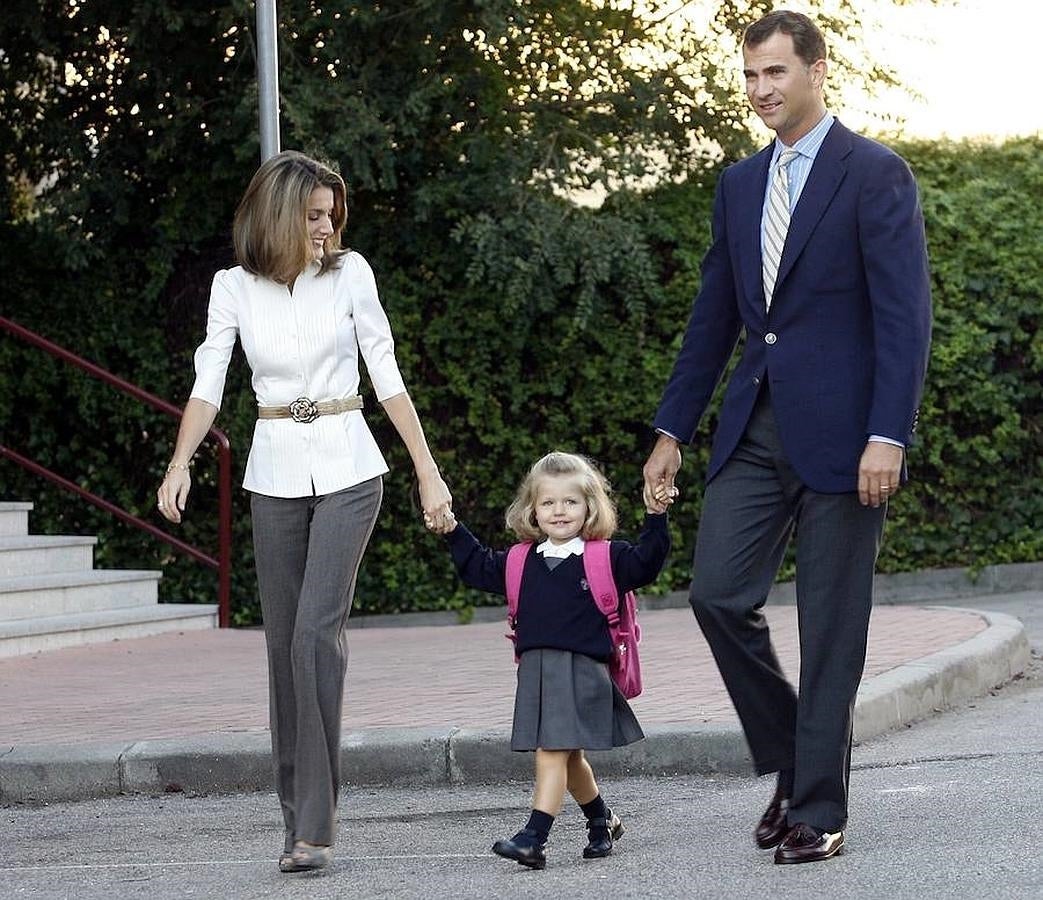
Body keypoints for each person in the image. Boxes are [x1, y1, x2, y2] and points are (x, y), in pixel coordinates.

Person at [642, 10, 931, 865]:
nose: (760, 90)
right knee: (715, 595)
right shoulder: (738, 186)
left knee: (831, 629)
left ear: (814, 71)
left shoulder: (874, 174)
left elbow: (902, 317)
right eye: (749, 76)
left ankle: (818, 810)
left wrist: (889, 433)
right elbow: (714, 318)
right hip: (756, 428)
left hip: (850, 442)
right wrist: (672, 429)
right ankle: (794, 760)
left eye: (774, 72)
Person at [155, 150, 453, 873]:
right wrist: (178, 462)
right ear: (279, 215)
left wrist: (427, 470)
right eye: (313, 215)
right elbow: (207, 380)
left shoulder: (350, 274)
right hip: (275, 474)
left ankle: (316, 825)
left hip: (352, 469)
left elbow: (385, 372)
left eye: (331, 216)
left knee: (315, 636)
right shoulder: (232, 288)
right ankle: (296, 826)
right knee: (281, 645)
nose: (326, 228)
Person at [430, 451, 670, 869]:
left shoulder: (605, 558)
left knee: (550, 751)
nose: (559, 511)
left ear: (589, 507)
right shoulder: (521, 562)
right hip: (538, 672)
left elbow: (646, 562)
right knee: (568, 756)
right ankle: (602, 822)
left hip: (582, 672)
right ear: (532, 510)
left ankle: (534, 837)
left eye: (571, 501)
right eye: (548, 503)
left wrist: (656, 516)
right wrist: (453, 530)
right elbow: (478, 567)